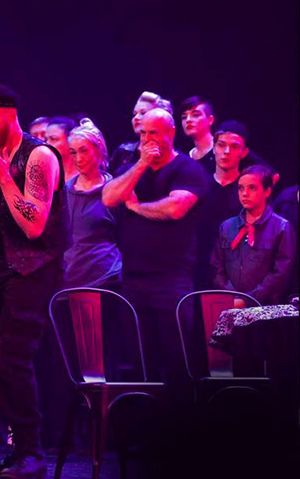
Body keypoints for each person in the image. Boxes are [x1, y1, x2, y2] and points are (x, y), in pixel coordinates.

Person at [0, 84, 67, 478]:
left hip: (34, 270)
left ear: (11, 114)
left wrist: (3, 177)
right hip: (1, 267)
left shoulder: (39, 156)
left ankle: (31, 454)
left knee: (12, 360)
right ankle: (18, 448)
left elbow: (35, 226)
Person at [102, 108, 207, 394]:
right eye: (143, 133)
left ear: (170, 133)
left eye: (154, 133)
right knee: (137, 360)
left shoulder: (187, 169)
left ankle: (179, 418)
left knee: (176, 360)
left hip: (172, 281)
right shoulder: (134, 169)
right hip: (133, 280)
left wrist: (137, 208)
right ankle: (143, 418)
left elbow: (175, 208)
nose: (147, 139)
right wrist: (141, 164)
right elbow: (109, 197)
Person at [212, 165, 295, 305]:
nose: (245, 193)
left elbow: (280, 273)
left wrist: (248, 300)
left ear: (267, 191)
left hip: (264, 307)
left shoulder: (281, 227)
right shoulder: (226, 227)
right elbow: (216, 267)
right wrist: (231, 297)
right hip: (230, 305)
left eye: (252, 188)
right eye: (240, 188)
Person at [64, 118, 121, 289]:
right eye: (73, 152)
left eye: (84, 151)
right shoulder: (64, 191)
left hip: (105, 279)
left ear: (99, 150)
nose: (78, 159)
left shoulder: (114, 190)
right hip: (69, 279)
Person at [195, 121, 249, 288]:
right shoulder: (199, 185)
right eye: (221, 145)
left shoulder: (247, 190)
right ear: (213, 148)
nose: (227, 152)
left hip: (236, 273)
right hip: (198, 270)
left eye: (234, 147)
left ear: (244, 152)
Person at [108, 91, 172, 175]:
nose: (136, 117)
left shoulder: (171, 156)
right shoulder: (123, 151)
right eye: (134, 114)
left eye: (143, 113)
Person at [181, 96, 215, 163]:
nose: (188, 120)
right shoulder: (188, 157)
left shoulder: (222, 150)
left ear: (210, 120)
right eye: (184, 117)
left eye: (195, 115)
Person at [44, 116, 78, 182]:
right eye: (46, 139)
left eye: (53, 139)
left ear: (70, 140)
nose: (47, 144)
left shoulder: (86, 174)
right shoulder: (46, 174)